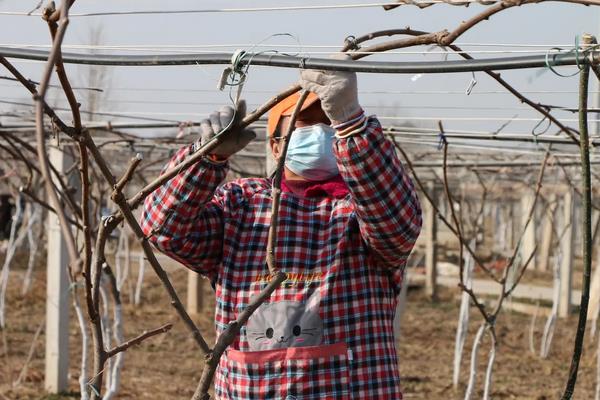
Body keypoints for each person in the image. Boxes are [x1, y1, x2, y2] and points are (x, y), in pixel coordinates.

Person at [141, 65, 422, 399]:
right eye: (306, 124)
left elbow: (399, 227)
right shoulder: (241, 205)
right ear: (275, 146)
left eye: (330, 123)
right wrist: (205, 158)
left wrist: (352, 122)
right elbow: (162, 229)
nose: (321, 132)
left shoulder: (361, 209)